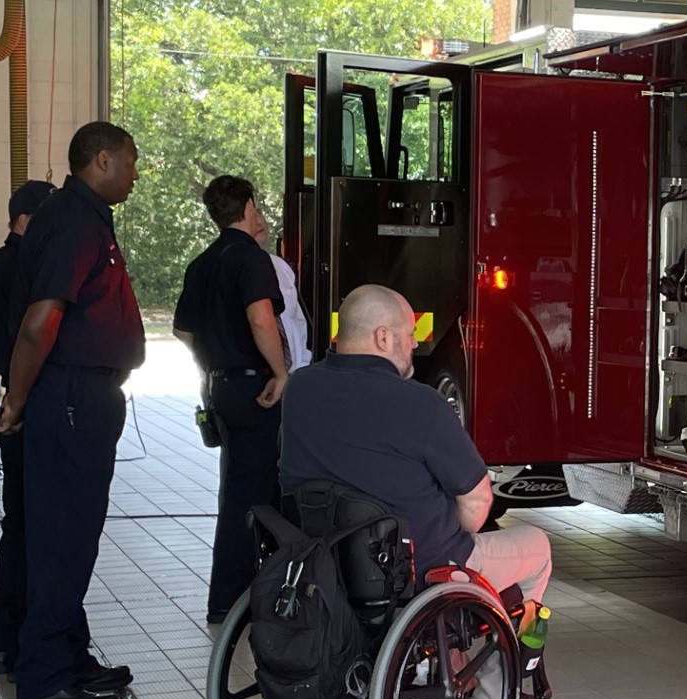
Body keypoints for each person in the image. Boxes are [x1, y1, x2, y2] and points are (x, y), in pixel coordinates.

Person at [0, 122, 145, 699]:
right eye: (131, 162)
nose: (136, 173)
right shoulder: (74, 222)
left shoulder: (80, 217)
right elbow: (41, 322)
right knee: (63, 538)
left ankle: (66, 654)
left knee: (69, 536)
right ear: (102, 160)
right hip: (70, 399)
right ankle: (44, 679)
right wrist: (16, 402)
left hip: (80, 396)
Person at [280, 284, 551, 599]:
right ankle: (522, 645)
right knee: (538, 546)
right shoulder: (421, 402)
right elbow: (477, 500)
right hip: (414, 571)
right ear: (383, 337)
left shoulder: (298, 390)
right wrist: (455, 543)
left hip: (321, 565)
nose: (415, 343)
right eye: (410, 334)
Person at [173, 176, 289, 623]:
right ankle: (238, 598)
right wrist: (280, 372)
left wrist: (210, 364)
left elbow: (183, 330)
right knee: (257, 494)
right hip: (255, 387)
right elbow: (262, 320)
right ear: (246, 206)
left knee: (239, 487)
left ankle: (236, 593)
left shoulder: (202, 262)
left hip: (221, 385)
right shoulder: (250, 259)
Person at [0, 178, 55, 676]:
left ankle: (7, 637)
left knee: (19, 526)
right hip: (34, 407)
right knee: (38, 530)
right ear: (24, 221)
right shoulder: (24, 271)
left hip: (19, 404)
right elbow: (26, 342)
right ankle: (23, 635)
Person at [264, 232, 311, 373]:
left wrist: (303, 363)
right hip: (261, 373)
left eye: (259, 212)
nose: (258, 221)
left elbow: (297, 320)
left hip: (294, 371)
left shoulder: (280, 266)